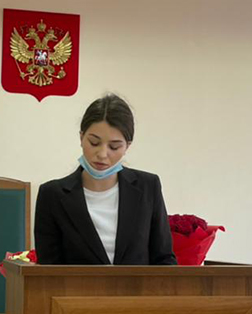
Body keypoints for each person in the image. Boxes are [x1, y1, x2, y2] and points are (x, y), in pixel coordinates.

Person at [34, 94, 176, 265]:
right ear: (81, 137)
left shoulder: (148, 187)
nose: (102, 154)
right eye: (94, 143)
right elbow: (48, 270)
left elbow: (163, 259)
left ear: (127, 146)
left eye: (114, 147)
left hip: (139, 284)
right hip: (73, 284)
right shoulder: (52, 195)